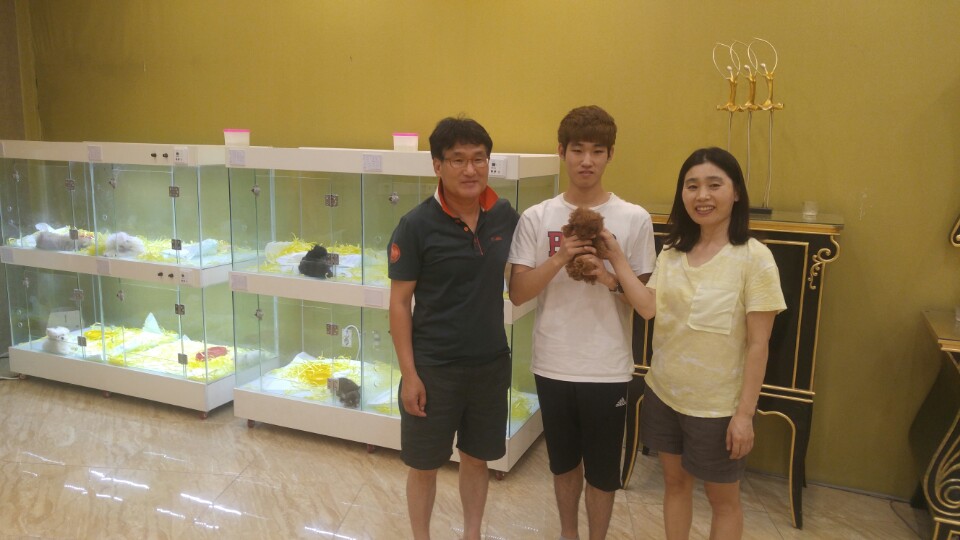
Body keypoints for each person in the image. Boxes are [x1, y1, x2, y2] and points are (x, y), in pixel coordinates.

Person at [601, 147, 786, 539]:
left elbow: (759, 345)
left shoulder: (755, 259)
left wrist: (744, 416)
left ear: (736, 192)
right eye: (692, 186)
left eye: (714, 185)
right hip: (664, 394)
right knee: (675, 484)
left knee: (723, 501)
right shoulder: (673, 252)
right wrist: (615, 259)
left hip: (718, 408)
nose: (702, 195)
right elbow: (648, 308)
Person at [508, 105, 657, 540]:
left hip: (608, 366)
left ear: (611, 155)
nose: (586, 161)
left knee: (604, 472)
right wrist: (560, 257)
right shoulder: (536, 217)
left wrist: (609, 274)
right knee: (563, 464)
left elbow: (645, 302)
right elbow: (518, 293)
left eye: (597, 151)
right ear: (561, 152)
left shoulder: (634, 218)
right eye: (577, 150)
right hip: (553, 362)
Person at [388, 116, 519, 540]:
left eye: (479, 159)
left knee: (477, 458)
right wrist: (410, 375)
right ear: (437, 165)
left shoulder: (503, 215)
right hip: (433, 369)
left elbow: (523, 276)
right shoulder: (415, 225)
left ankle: (472, 533)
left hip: (489, 364)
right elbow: (399, 304)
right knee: (424, 465)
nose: (470, 169)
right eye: (458, 159)